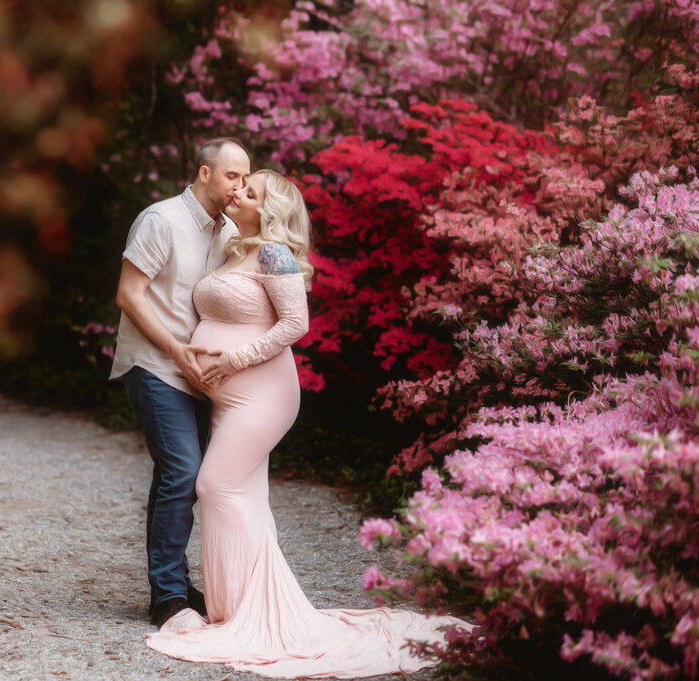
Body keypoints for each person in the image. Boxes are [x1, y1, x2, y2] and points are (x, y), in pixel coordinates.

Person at [145, 170, 469, 678]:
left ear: (268, 211)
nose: (239, 194)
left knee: (214, 485)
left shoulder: (275, 254)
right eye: (241, 187)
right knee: (244, 494)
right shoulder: (234, 249)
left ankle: (254, 614)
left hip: (263, 394)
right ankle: (238, 610)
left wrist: (232, 361)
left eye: (250, 193)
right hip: (230, 398)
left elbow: (296, 324)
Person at [110, 138, 252, 627]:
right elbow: (129, 296)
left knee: (180, 478)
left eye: (246, 178)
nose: (241, 186)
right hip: (156, 365)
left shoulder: (232, 230)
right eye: (233, 176)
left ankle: (173, 581)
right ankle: (167, 596)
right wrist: (177, 351)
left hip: (204, 377)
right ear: (205, 173)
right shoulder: (161, 219)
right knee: (184, 472)